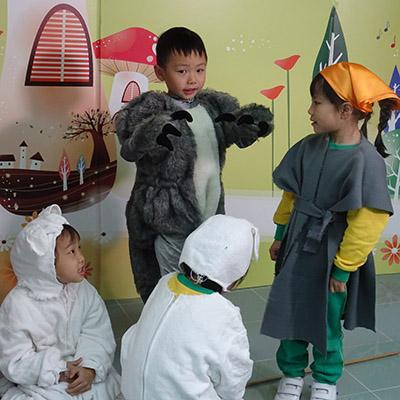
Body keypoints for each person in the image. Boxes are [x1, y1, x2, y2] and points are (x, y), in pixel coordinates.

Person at [261, 62, 400, 400]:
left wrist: (342, 268)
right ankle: (292, 373)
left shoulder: (366, 160)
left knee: (327, 317)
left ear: (345, 110)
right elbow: (291, 194)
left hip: (333, 253)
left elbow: (367, 222)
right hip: (298, 244)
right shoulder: (308, 147)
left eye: (317, 103)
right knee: (291, 309)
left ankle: (325, 378)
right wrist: (280, 235)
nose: (310, 110)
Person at [115, 26, 273, 302]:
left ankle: (199, 325)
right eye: (182, 71)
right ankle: (167, 324)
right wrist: (155, 130)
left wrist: (252, 124)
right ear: (161, 72)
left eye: (200, 70)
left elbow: (235, 132)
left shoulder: (214, 106)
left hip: (209, 216)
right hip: (169, 219)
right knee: (171, 288)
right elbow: (130, 147)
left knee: (206, 284)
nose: (192, 79)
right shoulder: (151, 108)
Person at [120, 214, 259, 400]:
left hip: (132, 392)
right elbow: (233, 378)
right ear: (235, 276)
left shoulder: (164, 283)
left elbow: (132, 338)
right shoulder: (224, 316)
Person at [0, 204, 122, 400]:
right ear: (45, 263)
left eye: (79, 248)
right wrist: (58, 370)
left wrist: (90, 368)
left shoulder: (84, 291)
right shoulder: (17, 306)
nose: (81, 258)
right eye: (71, 252)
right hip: (40, 378)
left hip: (81, 368)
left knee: (110, 387)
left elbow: (97, 333)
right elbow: (15, 360)